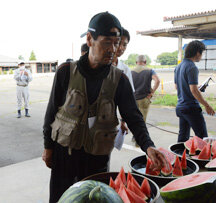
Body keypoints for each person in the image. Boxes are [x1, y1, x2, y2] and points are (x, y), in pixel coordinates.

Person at [42, 12, 166, 203]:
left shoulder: (120, 80)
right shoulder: (65, 72)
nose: (113, 49)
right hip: (64, 155)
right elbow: (51, 113)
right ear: (90, 39)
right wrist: (47, 147)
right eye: (107, 42)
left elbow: (134, 118)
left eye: (117, 43)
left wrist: (148, 146)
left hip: (97, 159)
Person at [174, 40, 215, 143]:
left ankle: (179, 157)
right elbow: (193, 91)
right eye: (201, 53)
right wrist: (207, 105)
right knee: (203, 138)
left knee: (182, 139)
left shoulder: (178, 66)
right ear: (197, 53)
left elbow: (177, 87)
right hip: (191, 108)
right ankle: (203, 158)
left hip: (181, 107)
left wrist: (196, 88)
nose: (201, 56)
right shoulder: (192, 67)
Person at [112, 28, 135, 133]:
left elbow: (128, 101)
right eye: (118, 43)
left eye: (124, 45)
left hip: (112, 124)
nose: (121, 48)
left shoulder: (125, 69)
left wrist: (123, 122)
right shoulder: (99, 66)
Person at [132, 55, 160, 122]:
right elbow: (157, 80)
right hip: (144, 98)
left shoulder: (130, 71)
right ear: (145, 61)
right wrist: (152, 92)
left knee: (134, 120)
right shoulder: (150, 70)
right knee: (142, 120)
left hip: (133, 99)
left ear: (136, 62)